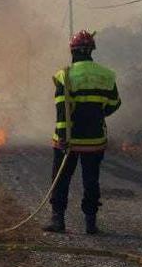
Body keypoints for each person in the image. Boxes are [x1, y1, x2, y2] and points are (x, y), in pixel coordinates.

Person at [43, 30, 121, 235]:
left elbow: (61, 110)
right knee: (91, 180)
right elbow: (114, 103)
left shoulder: (64, 75)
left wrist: (62, 138)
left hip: (68, 139)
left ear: (72, 51)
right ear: (92, 51)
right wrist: (97, 114)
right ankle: (90, 224)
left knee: (61, 179)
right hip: (94, 139)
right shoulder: (106, 75)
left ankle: (58, 221)